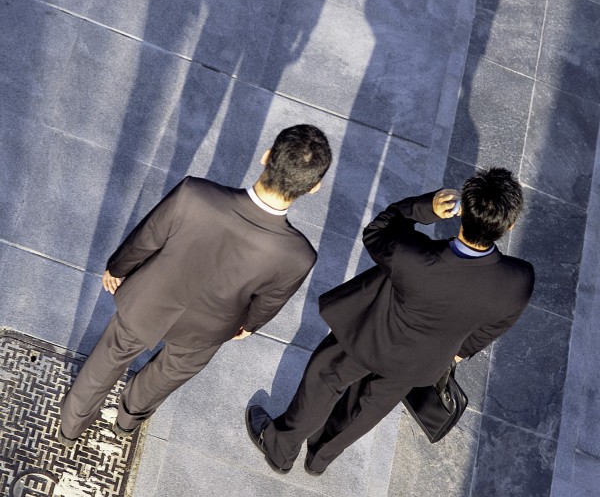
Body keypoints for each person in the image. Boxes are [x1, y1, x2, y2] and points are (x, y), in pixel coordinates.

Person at [246, 167, 535, 475]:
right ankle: (319, 459)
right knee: (368, 408)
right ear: (510, 224)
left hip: (368, 337)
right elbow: (499, 323)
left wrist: (427, 207)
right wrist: (460, 352)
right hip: (421, 363)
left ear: (463, 210)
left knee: (325, 378)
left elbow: (378, 230)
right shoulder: (518, 279)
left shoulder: (413, 256)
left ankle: (280, 448)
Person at [59, 124, 332, 446]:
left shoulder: (195, 194)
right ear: (313, 187)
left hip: (148, 303)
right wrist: (250, 326)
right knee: (165, 376)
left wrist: (118, 268)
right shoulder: (298, 255)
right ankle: (128, 420)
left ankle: (70, 427)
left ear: (267, 156)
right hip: (209, 329)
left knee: (107, 360)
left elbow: (147, 239)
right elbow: (269, 301)